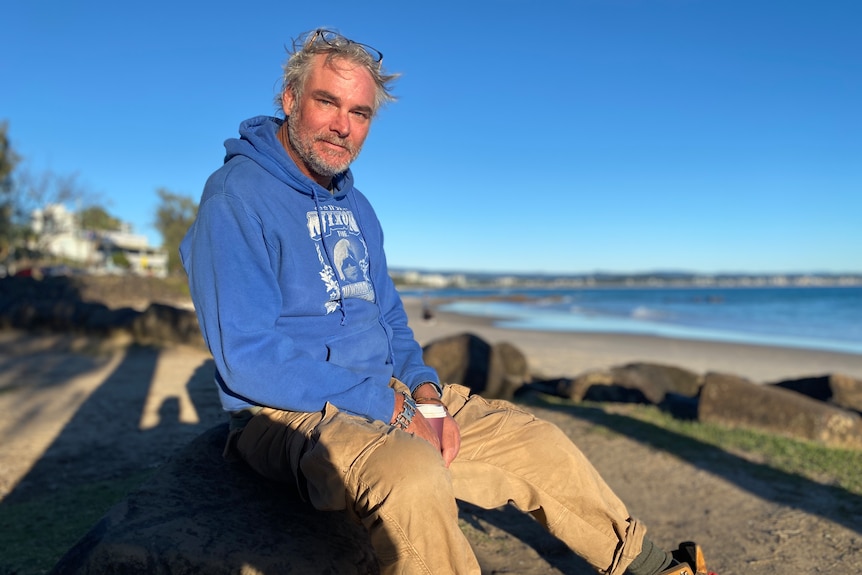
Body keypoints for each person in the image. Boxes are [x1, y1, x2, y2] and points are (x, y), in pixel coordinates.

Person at [179, 28, 715, 575]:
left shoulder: (356, 206)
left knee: (537, 441)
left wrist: (425, 393)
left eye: (360, 113)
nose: (343, 125)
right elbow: (248, 357)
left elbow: (389, 318)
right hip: (286, 412)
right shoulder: (235, 197)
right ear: (290, 100)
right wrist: (393, 410)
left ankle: (653, 568)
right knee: (412, 475)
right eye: (327, 102)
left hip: (387, 394)